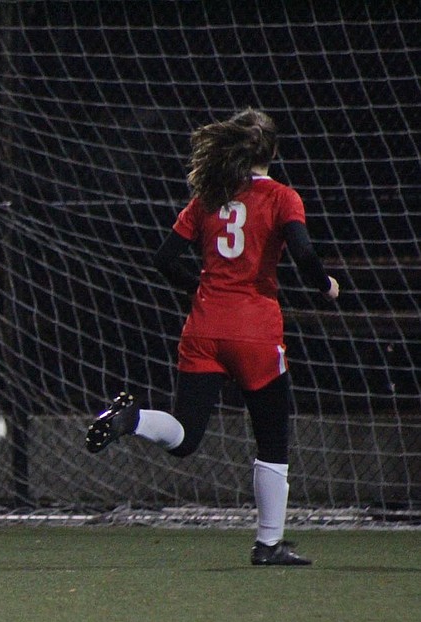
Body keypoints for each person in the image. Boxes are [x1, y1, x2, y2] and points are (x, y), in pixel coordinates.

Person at [85, 108, 340, 566]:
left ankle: (133, 420)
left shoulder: (208, 197)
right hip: (255, 334)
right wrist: (326, 285)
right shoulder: (283, 197)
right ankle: (268, 545)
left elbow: (164, 258)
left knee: (185, 436)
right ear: (273, 151)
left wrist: (198, 288)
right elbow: (302, 250)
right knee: (272, 438)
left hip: (204, 327)